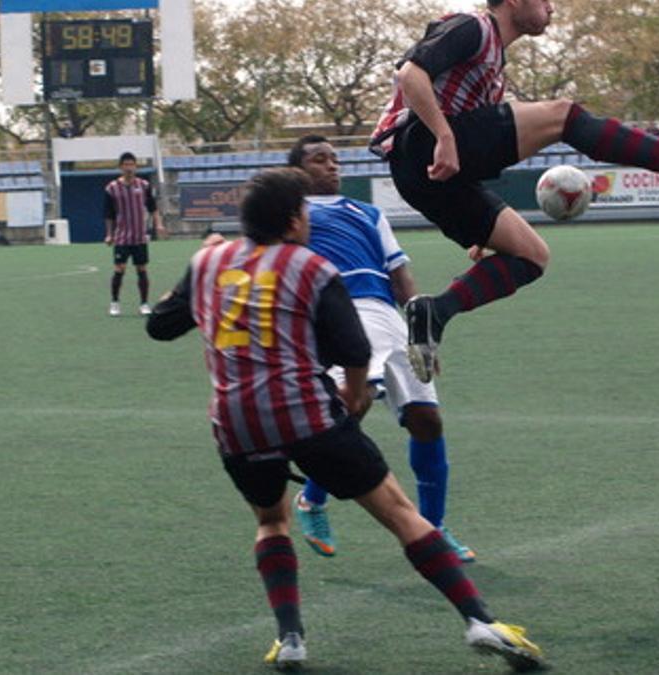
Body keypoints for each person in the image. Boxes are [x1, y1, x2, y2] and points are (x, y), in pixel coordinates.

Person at [145, 167, 544, 671]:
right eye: (306, 213)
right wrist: (354, 397)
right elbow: (353, 348)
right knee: (401, 513)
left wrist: (187, 278)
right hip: (305, 415)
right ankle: (480, 621)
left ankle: (290, 638)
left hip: (235, 423)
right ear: (293, 221)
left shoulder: (207, 262)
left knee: (271, 521)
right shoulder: (310, 267)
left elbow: (160, 327)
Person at [369, 0, 659, 382]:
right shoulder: (474, 27)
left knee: (531, 256)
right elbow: (410, 73)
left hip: (424, 178)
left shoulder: (494, 72)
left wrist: (481, 228)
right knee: (565, 116)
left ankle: (434, 312)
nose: (552, 7)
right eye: (545, 0)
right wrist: (444, 135)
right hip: (418, 144)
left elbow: (472, 151)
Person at [285, 135, 474, 563]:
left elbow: (400, 275)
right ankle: (312, 500)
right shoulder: (294, 215)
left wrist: (420, 331)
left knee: (427, 421)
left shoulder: (368, 213)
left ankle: (434, 528)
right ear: (298, 170)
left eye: (335, 159)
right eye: (319, 160)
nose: (332, 166)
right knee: (353, 402)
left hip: (388, 315)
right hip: (341, 311)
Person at [104, 151, 165, 317]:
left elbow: (153, 208)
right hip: (122, 236)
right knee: (119, 268)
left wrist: (158, 224)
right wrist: (109, 234)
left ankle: (144, 303)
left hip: (140, 236)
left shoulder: (144, 186)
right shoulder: (112, 188)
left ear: (136, 166)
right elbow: (109, 214)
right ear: (120, 167)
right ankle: (115, 302)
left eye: (132, 164)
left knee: (142, 269)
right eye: (126, 165)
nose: (129, 168)